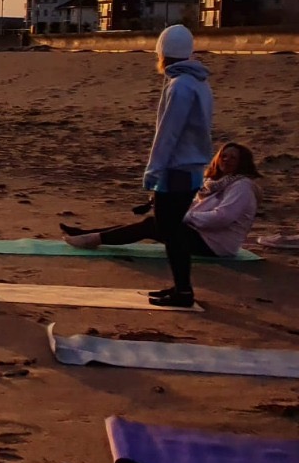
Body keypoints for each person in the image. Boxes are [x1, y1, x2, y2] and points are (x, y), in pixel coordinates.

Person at [60, 24, 213, 308]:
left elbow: (168, 134)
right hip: (189, 169)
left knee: (170, 232)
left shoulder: (180, 86)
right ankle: (180, 288)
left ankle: (183, 291)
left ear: (163, 53)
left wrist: (153, 175)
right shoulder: (196, 83)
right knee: (170, 230)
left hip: (178, 169)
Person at [62, 142, 260, 262]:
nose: (227, 159)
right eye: (223, 156)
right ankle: (88, 234)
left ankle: (93, 239)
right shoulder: (213, 183)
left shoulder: (240, 186)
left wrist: (183, 217)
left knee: (153, 225)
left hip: (216, 245)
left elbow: (222, 218)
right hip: (201, 234)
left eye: (233, 157)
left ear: (242, 162)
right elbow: (196, 207)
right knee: (154, 221)